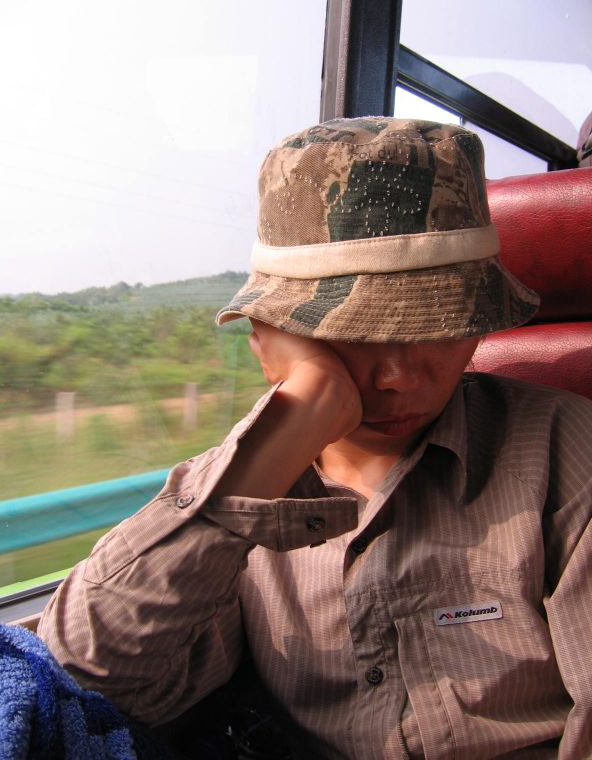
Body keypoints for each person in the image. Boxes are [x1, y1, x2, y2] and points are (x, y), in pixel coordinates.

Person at [38, 118, 592, 759]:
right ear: (268, 341)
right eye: (352, 335)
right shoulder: (243, 496)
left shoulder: (561, 451)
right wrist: (276, 443)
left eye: (440, 325)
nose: (398, 376)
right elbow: (83, 679)